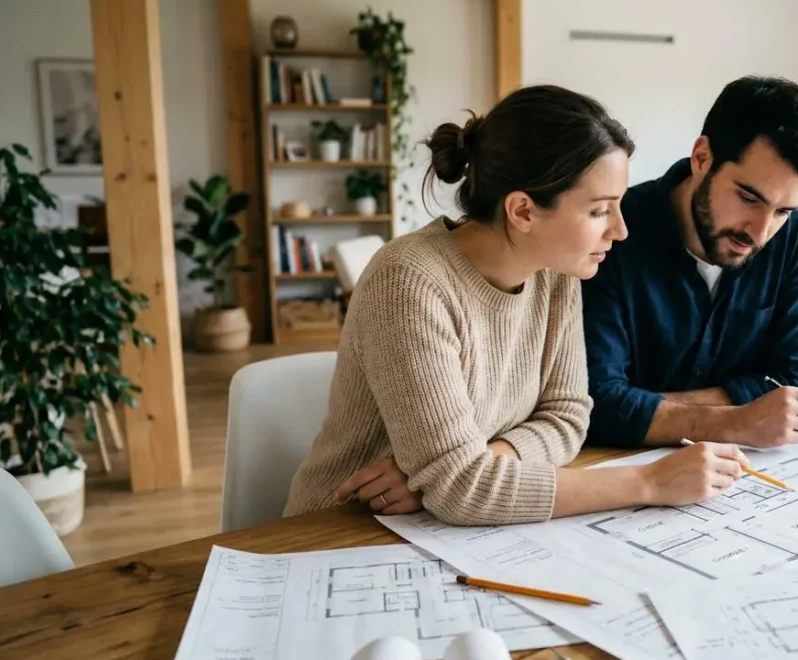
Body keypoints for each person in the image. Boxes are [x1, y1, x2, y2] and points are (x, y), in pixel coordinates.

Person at [282, 85, 751, 525]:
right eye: (598, 210)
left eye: (619, 205)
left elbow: (568, 417)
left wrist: (475, 465)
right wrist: (649, 480)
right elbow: (459, 488)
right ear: (523, 210)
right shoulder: (408, 282)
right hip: (343, 528)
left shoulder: (555, 273)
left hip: (445, 526)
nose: (620, 230)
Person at [581, 75, 798, 449]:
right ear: (702, 157)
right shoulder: (614, 234)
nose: (762, 231)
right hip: (614, 467)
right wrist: (737, 419)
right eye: (749, 197)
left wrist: (647, 406)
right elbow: (595, 403)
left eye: (782, 210)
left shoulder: (795, 232)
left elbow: (791, 381)